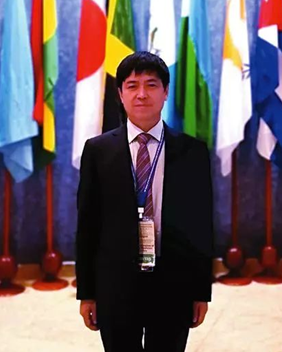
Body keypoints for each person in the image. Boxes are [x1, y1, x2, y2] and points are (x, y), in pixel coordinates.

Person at [76, 51, 213, 352]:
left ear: (165, 92)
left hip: (173, 282)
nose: (141, 94)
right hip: (116, 283)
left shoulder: (192, 152)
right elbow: (87, 225)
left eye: (151, 85)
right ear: (120, 94)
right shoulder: (98, 151)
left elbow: (201, 226)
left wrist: (201, 291)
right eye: (132, 85)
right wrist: (87, 293)